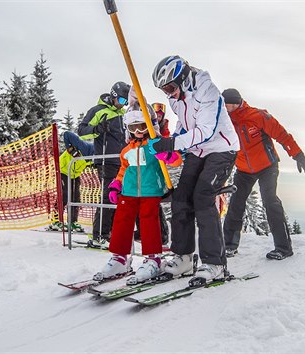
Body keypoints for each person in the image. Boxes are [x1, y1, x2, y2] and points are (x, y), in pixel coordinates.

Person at [148, 55, 240, 283]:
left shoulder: (208, 91)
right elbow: (183, 124)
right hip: (197, 149)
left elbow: (205, 131)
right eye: (164, 90)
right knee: (181, 198)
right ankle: (184, 258)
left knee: (202, 197)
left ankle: (215, 263)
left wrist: (172, 144)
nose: (168, 94)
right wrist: (174, 144)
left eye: (170, 87)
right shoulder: (175, 98)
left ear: (183, 79)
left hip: (221, 148)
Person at [95, 99, 182, 284]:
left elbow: (175, 160)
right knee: (121, 221)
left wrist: (166, 154)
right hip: (129, 192)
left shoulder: (156, 144)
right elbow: (123, 170)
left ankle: (153, 259)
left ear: (150, 124)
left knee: (149, 222)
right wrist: (116, 185)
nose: (138, 132)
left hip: (151, 191)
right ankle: (120, 259)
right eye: (133, 127)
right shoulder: (126, 150)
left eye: (142, 126)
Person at [220, 88, 305, 260]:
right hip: (244, 169)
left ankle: (283, 248)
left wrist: (299, 156)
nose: (229, 108)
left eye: (232, 105)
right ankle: (229, 246)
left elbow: (282, 135)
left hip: (267, 166)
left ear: (239, 102)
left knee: (270, 201)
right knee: (236, 204)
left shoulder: (258, 115)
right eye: (226, 105)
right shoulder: (224, 122)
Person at [77, 81, 130, 245]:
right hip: (106, 161)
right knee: (108, 197)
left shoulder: (123, 115)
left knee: (121, 197)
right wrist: (98, 129)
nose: (123, 105)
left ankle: (112, 232)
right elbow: (81, 131)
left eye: (126, 102)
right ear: (113, 96)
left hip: (122, 162)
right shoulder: (98, 111)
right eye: (121, 101)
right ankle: (100, 235)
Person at [132, 102, 171, 245]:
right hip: (143, 168)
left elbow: (166, 142)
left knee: (153, 202)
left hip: (156, 169)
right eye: (157, 114)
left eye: (161, 115)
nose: (159, 117)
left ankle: (162, 234)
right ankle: (142, 231)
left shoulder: (162, 129)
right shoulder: (145, 126)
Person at [49, 138, 92, 232]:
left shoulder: (93, 156)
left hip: (75, 174)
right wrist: (72, 150)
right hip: (63, 170)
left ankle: (72, 222)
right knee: (64, 195)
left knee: (76, 197)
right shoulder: (83, 148)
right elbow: (69, 142)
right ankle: (55, 221)